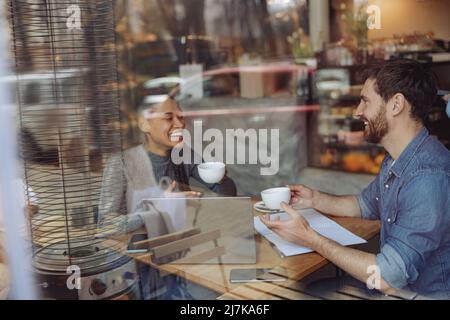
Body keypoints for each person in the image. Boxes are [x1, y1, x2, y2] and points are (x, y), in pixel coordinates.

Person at [261, 59, 450, 299]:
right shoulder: (398, 158)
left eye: (366, 101)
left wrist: (311, 239)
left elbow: (387, 276)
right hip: (393, 288)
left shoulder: (427, 177)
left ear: (396, 105)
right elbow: (364, 204)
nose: (357, 111)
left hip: (414, 294)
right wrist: (314, 198)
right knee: (308, 289)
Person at [98, 95, 237, 234]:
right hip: (141, 251)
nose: (180, 124)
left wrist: (221, 179)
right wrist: (157, 206)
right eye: (169, 118)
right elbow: (105, 225)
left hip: (181, 245)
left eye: (181, 117)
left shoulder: (184, 155)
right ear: (144, 124)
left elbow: (228, 193)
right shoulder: (120, 163)